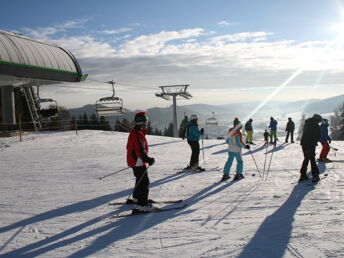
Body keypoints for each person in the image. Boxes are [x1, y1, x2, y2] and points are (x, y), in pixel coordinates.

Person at [126, 111, 155, 211]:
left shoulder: (136, 132)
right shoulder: (137, 134)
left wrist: (145, 159)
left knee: (139, 179)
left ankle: (137, 198)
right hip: (137, 161)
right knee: (144, 181)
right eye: (145, 122)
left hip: (135, 160)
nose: (146, 124)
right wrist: (148, 159)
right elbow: (140, 150)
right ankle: (142, 205)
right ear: (141, 123)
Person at [299, 114, 322, 183]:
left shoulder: (307, 123)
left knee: (306, 158)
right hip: (310, 144)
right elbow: (318, 135)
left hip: (304, 144)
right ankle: (315, 175)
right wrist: (315, 141)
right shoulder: (315, 125)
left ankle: (303, 175)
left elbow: (305, 134)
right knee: (312, 159)